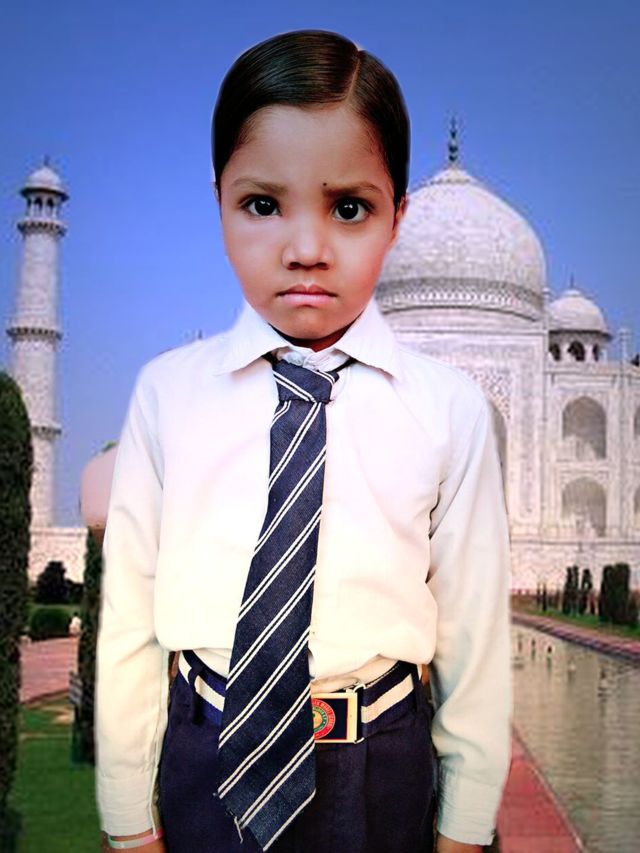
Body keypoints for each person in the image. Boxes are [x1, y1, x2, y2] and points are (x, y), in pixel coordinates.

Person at [95, 28, 512, 853]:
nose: (306, 250)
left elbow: (475, 637)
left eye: (349, 208)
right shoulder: (169, 394)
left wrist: (465, 826)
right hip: (206, 755)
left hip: (380, 764)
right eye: (263, 205)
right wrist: (125, 814)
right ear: (219, 202)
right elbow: (131, 622)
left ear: (398, 218)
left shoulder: (449, 408)